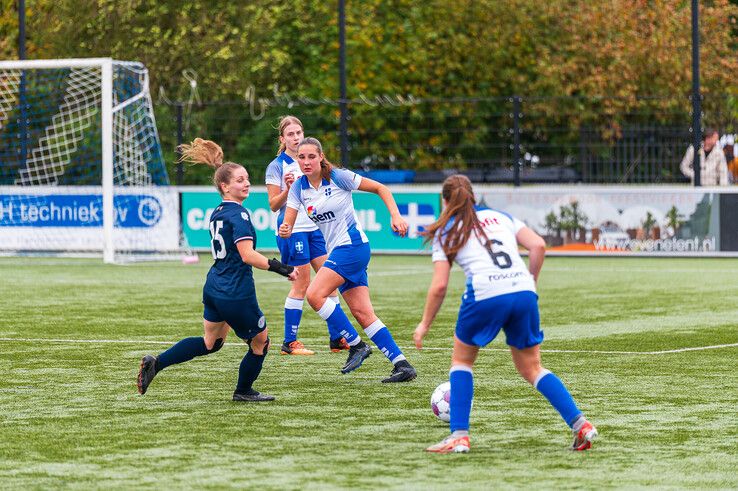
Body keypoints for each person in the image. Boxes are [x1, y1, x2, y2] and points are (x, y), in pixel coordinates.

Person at [413, 175, 597, 453]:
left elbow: (439, 286)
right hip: (523, 290)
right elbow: (538, 246)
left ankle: (459, 436)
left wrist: (425, 323)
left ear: (446, 201)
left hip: (485, 294)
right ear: (473, 197)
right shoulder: (500, 217)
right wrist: (530, 281)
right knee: (533, 368)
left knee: (461, 363)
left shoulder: (446, 230)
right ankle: (580, 424)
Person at [137, 138, 299, 402]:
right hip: (236, 291)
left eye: (247, 179)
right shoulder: (240, 215)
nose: (246, 183)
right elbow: (247, 256)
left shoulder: (217, 212)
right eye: (239, 180)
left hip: (214, 287)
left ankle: (157, 363)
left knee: (211, 343)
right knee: (261, 344)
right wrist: (283, 269)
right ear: (225, 186)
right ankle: (243, 391)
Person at [278, 137, 417, 383]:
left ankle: (356, 345)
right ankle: (402, 365)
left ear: (321, 157)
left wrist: (396, 216)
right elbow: (288, 219)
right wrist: (286, 228)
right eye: (301, 157)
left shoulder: (338, 176)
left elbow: (381, 188)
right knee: (363, 313)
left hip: (352, 247)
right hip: (341, 251)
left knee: (314, 294)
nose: (307, 162)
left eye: (312, 156)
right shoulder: (299, 187)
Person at [265, 116, 352, 356]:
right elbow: (273, 205)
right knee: (301, 284)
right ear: (282, 139)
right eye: (290, 134)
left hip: (315, 230)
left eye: (299, 133)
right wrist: (287, 189)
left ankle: (337, 339)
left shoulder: (313, 162)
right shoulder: (277, 166)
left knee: (330, 281)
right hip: (293, 231)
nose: (296, 138)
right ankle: (289, 342)